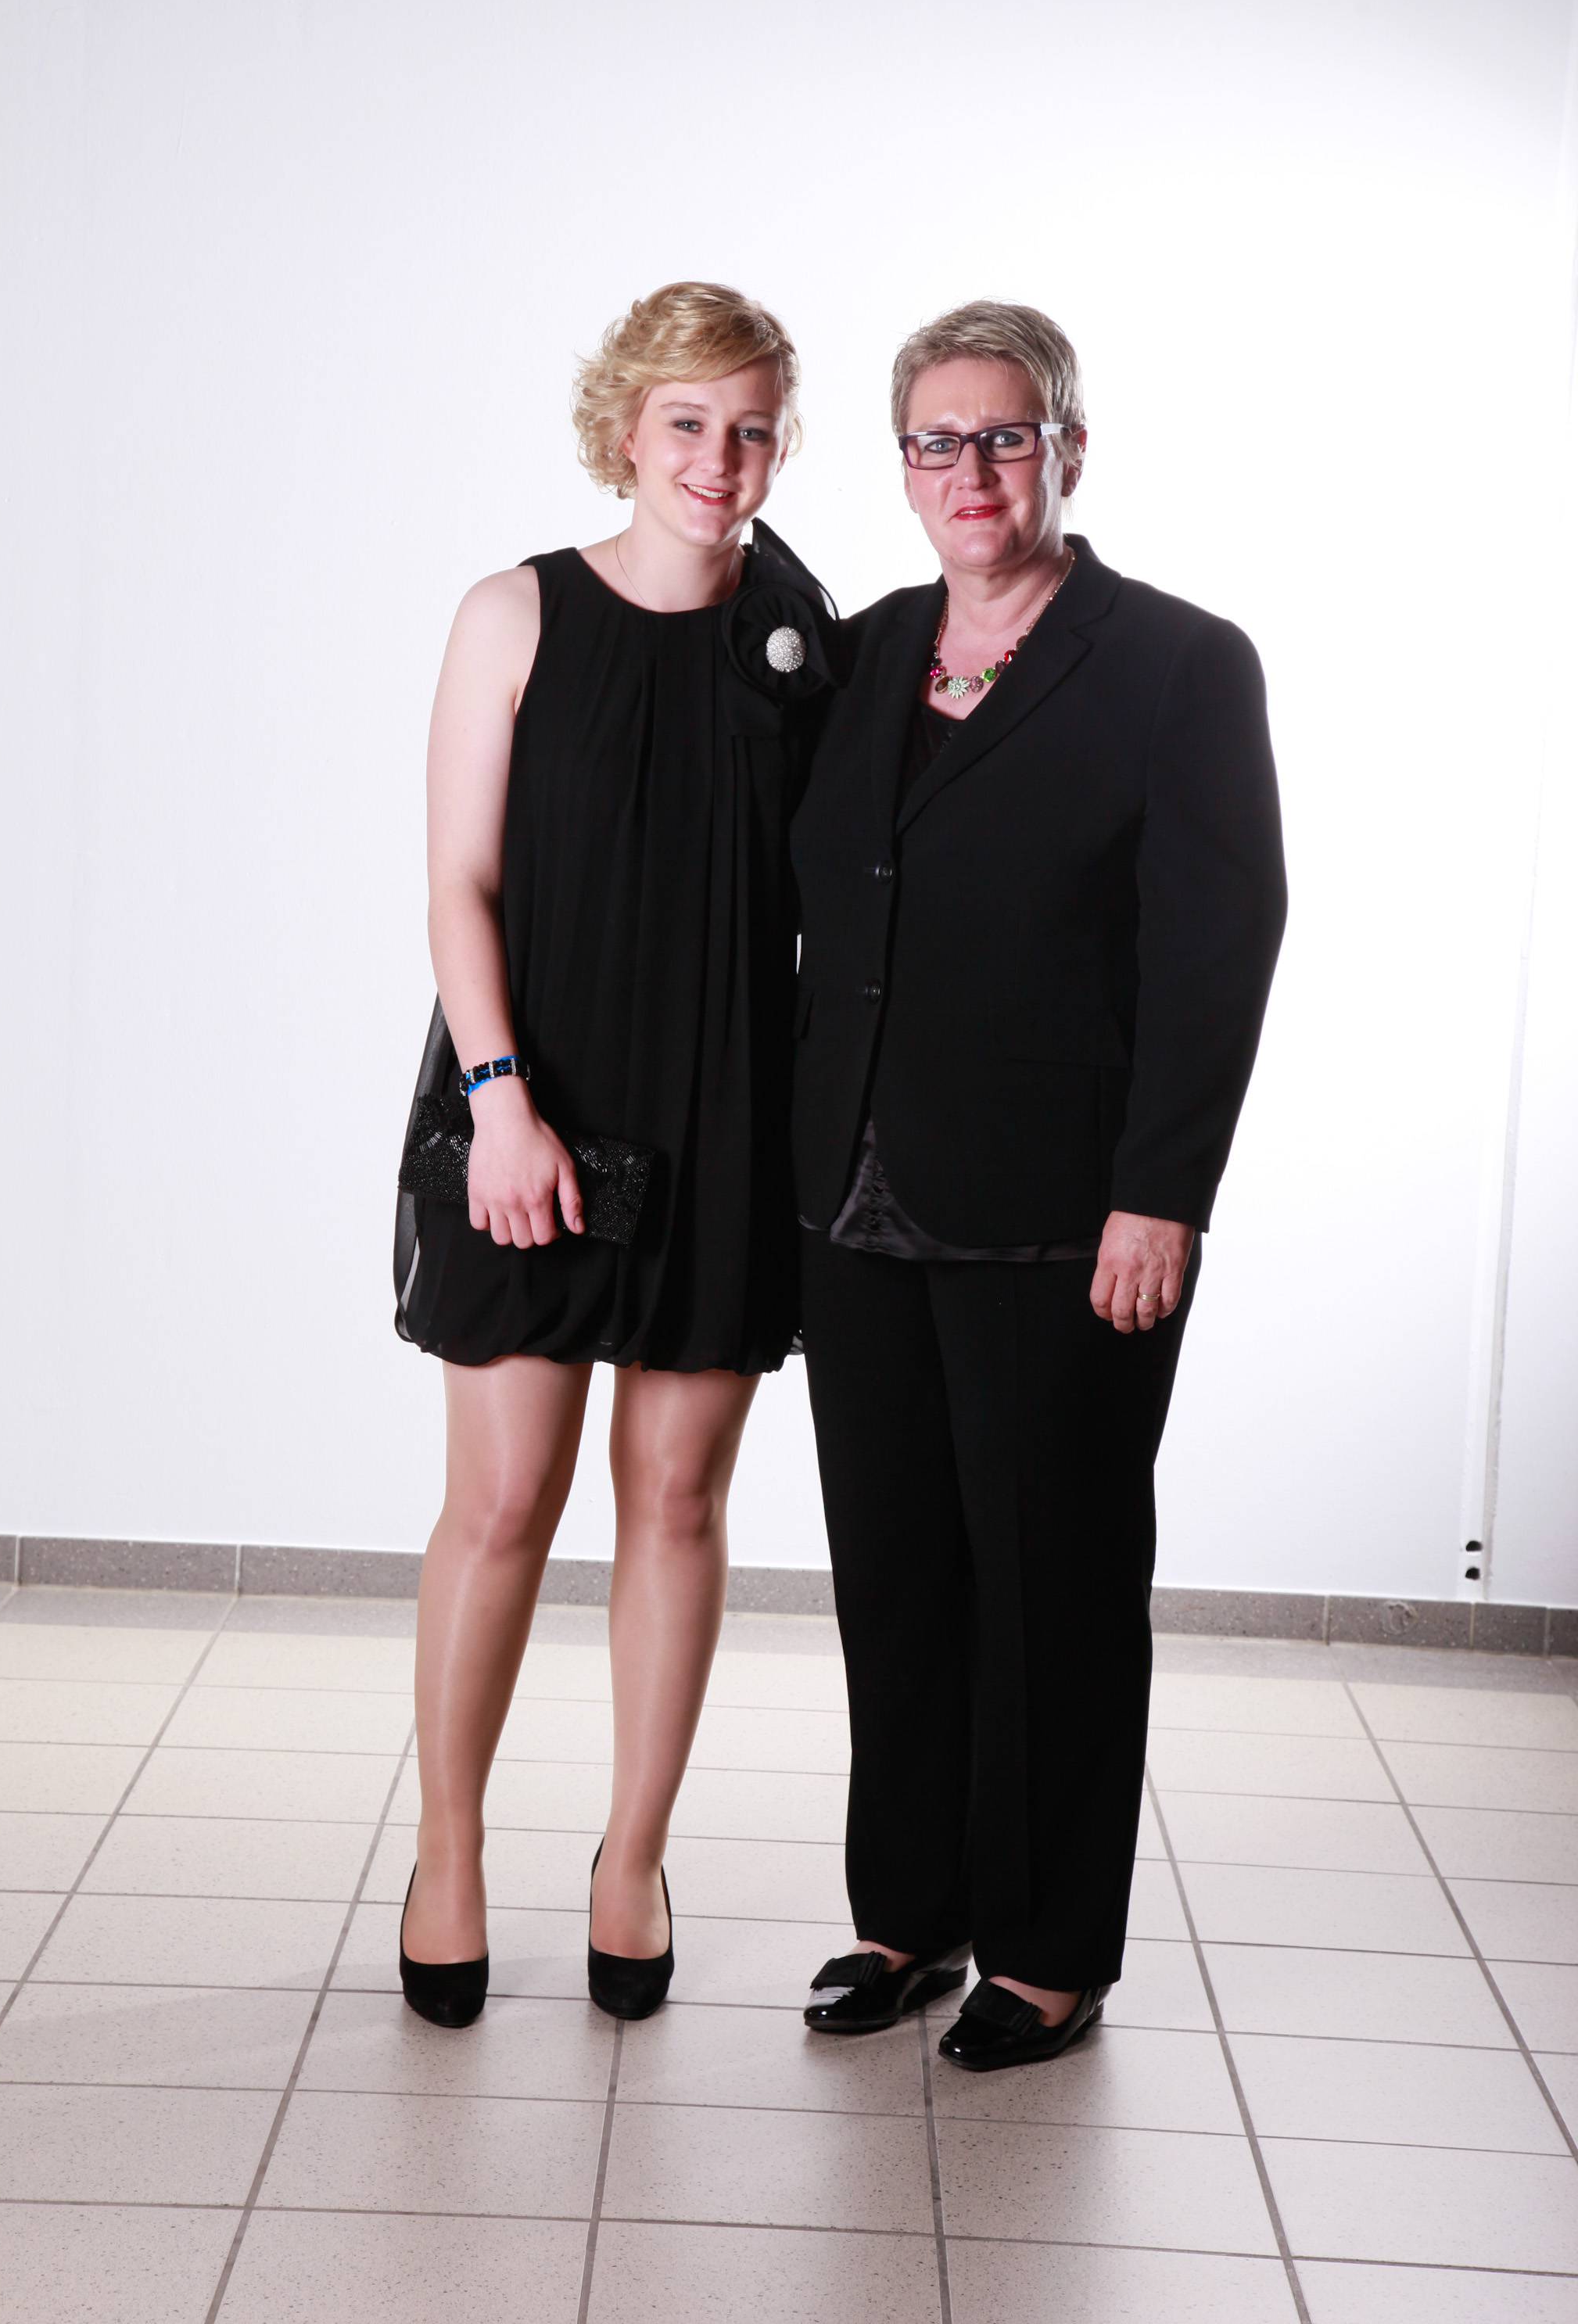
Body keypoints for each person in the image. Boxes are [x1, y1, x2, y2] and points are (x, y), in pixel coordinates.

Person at [790, 300, 1286, 2069]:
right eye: (937, 441)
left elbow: (1218, 945)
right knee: (896, 1577)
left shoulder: (1177, 664)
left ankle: (1052, 1948)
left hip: (1067, 1214)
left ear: (1068, 447)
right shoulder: (861, 653)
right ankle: (908, 1913)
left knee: (1053, 1583)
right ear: (902, 465)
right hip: (852, 1197)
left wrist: (1163, 1193)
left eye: (1006, 436)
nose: (973, 472)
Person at [392, 282, 837, 2028]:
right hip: (533, 1098)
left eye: (751, 430)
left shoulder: (802, 643)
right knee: (505, 1498)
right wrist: (500, 1100)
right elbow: (456, 885)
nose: (719, 461)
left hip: (726, 1111)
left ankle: (632, 1859)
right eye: (687, 424)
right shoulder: (514, 613)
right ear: (625, 427)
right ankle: (445, 1852)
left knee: (678, 1499)